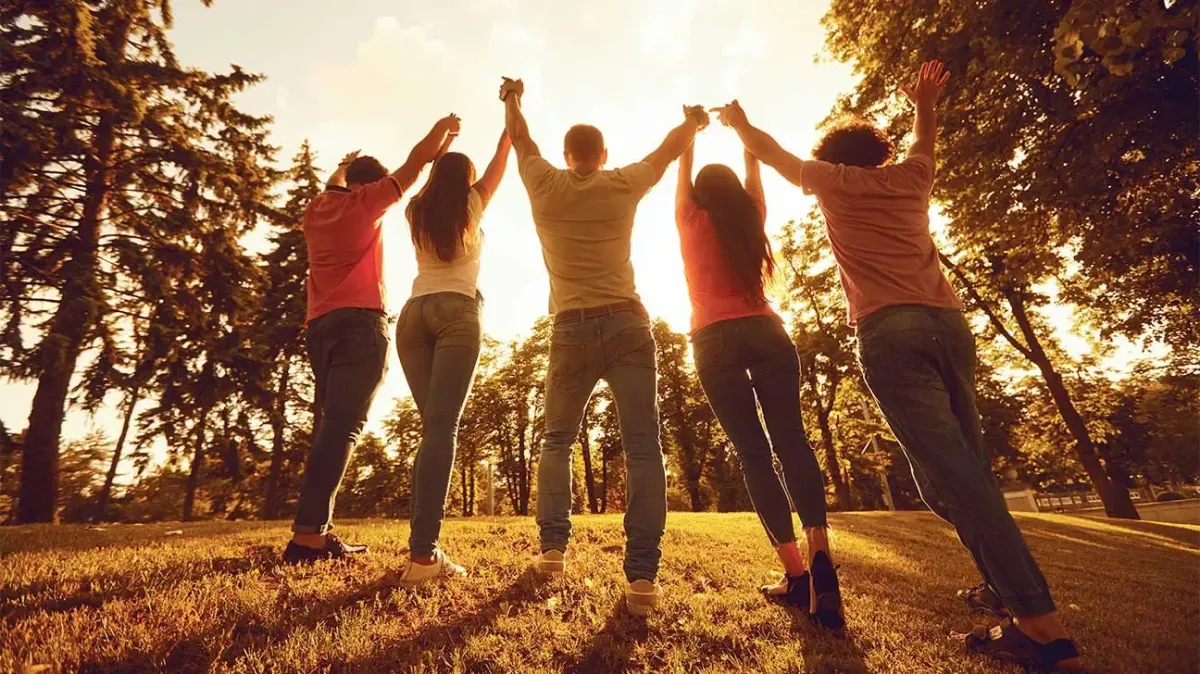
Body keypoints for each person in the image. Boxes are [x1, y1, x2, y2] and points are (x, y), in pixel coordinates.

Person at [713, 61, 1081, 670]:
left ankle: (1040, 625)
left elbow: (769, 151)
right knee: (953, 478)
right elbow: (923, 141)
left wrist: (738, 123)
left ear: (836, 155)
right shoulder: (911, 178)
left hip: (891, 333)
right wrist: (926, 103)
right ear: (879, 153)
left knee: (957, 480)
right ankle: (1003, 589)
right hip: (949, 328)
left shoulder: (833, 180)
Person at [499, 76, 706, 616]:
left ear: (568, 156)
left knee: (556, 440)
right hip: (626, 327)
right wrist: (692, 122)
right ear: (603, 153)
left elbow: (521, 141)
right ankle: (642, 579)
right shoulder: (622, 182)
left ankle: (552, 551)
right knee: (643, 446)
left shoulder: (544, 183)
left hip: (569, 328)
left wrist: (514, 98)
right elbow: (665, 153)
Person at [674, 138, 843, 631]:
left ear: (701, 196)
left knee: (753, 452)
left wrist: (689, 132)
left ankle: (796, 576)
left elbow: (680, 174)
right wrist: (743, 135)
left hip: (712, 338)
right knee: (792, 439)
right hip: (767, 330)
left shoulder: (689, 218)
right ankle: (819, 552)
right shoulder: (751, 217)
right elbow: (754, 173)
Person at [283, 114, 462, 565]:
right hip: (359, 328)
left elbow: (333, 182)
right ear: (372, 185)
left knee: (330, 429)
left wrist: (344, 166)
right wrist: (443, 131)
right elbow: (415, 163)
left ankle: (317, 533)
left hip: (319, 330)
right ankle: (306, 539)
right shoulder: (367, 203)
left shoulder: (317, 208)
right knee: (343, 429)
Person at [395, 126, 513, 585]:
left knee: (432, 432)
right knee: (441, 431)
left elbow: (428, 177)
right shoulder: (472, 203)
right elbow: (501, 160)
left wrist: (441, 148)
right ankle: (423, 558)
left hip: (412, 316)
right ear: (465, 179)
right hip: (456, 313)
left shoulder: (415, 209)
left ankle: (424, 551)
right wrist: (510, 120)